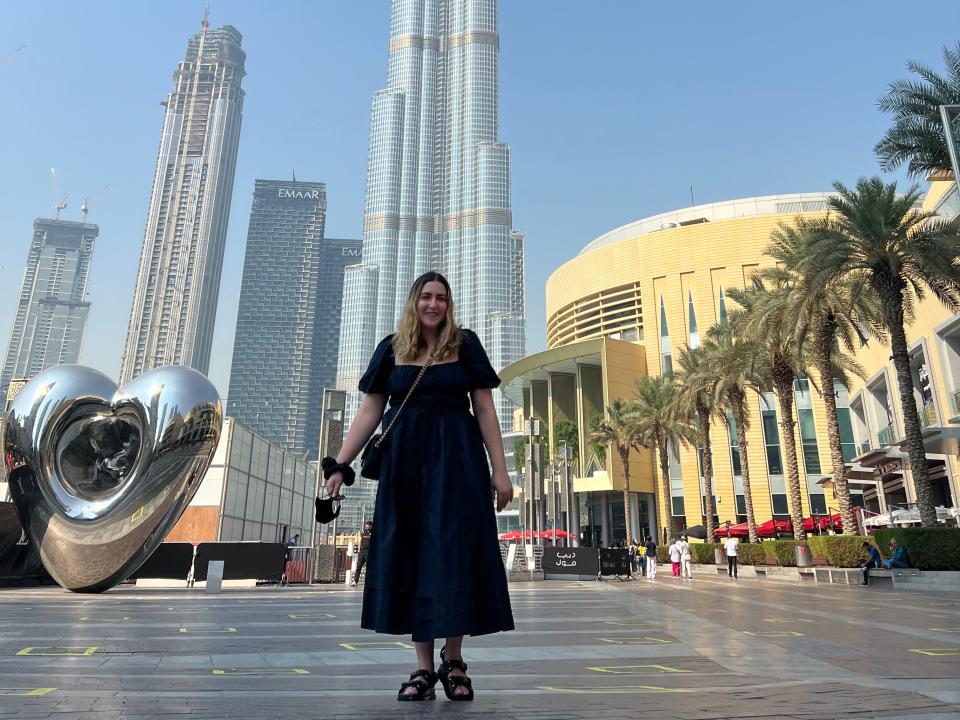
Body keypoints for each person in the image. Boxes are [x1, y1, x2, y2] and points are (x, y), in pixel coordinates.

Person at [323, 271, 514, 702]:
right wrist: (339, 465)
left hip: (458, 463)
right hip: (405, 466)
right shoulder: (392, 349)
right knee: (412, 554)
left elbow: (484, 410)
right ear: (414, 301)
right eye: (426, 297)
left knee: (452, 554)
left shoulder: (464, 345)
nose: (433, 304)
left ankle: (455, 660)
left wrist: (500, 472)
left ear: (449, 304)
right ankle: (424, 669)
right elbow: (370, 411)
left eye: (441, 298)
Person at [351, 521, 373, 587]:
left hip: (369, 552)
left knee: (369, 568)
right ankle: (355, 581)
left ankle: (369, 581)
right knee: (358, 566)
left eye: (369, 526)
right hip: (362, 552)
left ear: (371, 526)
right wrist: (359, 550)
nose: (367, 527)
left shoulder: (374, 532)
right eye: (367, 526)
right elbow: (360, 540)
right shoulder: (363, 532)